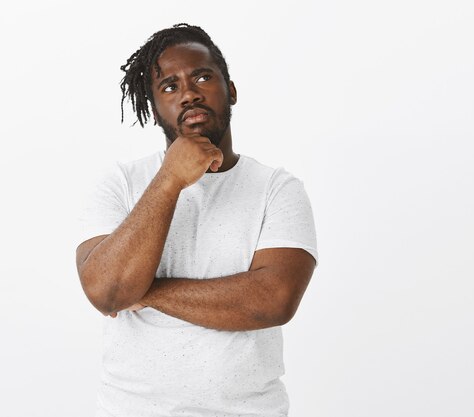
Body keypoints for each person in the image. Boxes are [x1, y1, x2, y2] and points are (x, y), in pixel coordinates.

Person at [75, 23, 317, 417]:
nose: (188, 93)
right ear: (154, 109)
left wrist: (147, 291)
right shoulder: (120, 183)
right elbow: (107, 290)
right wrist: (170, 179)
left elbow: (272, 300)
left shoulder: (277, 188)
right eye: (169, 87)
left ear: (231, 90)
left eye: (202, 77)